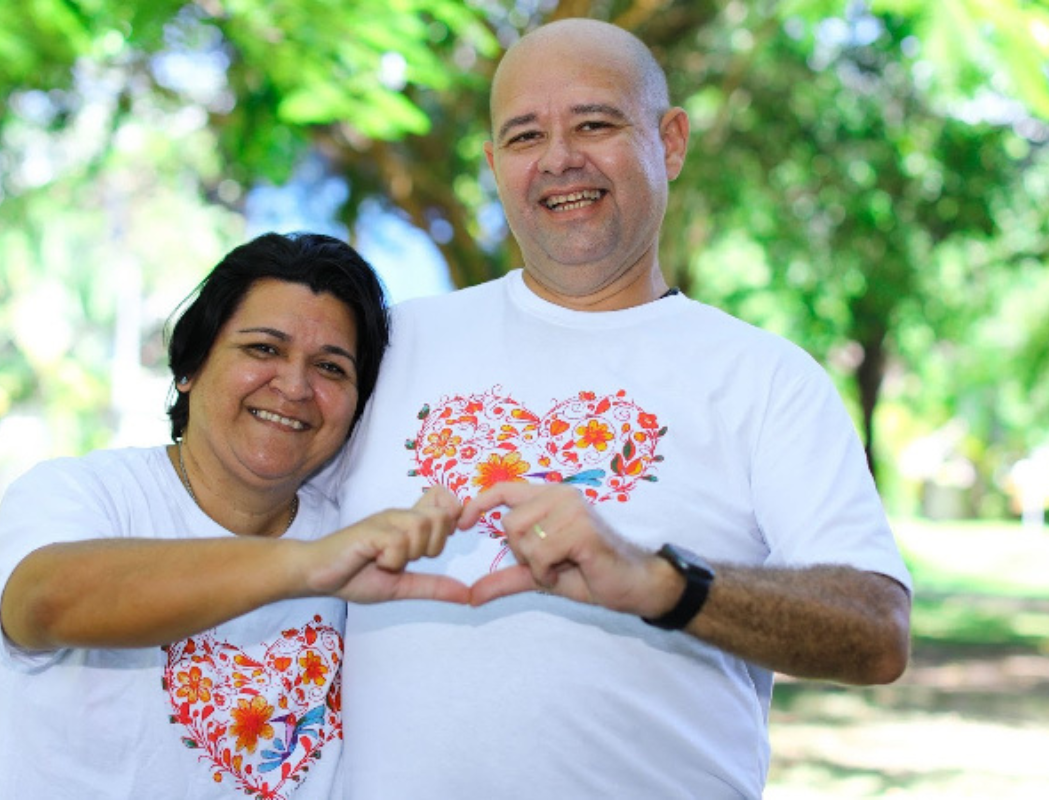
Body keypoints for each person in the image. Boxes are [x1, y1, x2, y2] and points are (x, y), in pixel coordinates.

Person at [330, 18, 913, 799]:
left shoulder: (766, 378)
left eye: (595, 123)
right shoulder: (392, 344)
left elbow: (877, 631)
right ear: (495, 164)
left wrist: (662, 581)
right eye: (527, 135)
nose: (560, 158)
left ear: (670, 142)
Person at [0, 232, 467, 799]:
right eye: (263, 349)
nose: (294, 386)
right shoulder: (81, 494)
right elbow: (44, 601)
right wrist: (302, 567)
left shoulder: (359, 541)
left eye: (331, 368)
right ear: (189, 366)